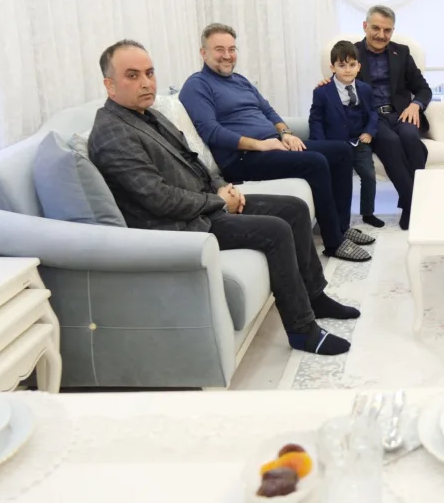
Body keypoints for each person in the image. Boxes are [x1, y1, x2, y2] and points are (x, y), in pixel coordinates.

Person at [88, 40, 356, 356]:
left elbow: (193, 160)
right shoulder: (112, 133)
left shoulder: (149, 115)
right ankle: (302, 330)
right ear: (109, 85)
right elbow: (159, 199)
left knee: (294, 209)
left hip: (204, 204)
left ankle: (315, 296)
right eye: (132, 75)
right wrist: (219, 202)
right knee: (276, 230)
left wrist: (221, 187)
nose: (146, 83)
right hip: (181, 226)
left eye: (149, 72)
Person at [178, 23, 373, 262]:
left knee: (341, 151)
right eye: (219, 49)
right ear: (203, 52)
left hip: (272, 145)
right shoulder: (197, 85)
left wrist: (285, 133)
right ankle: (334, 242)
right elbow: (211, 131)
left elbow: (268, 110)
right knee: (315, 162)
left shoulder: (240, 80)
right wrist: (260, 144)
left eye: (232, 49)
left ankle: (341, 227)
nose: (227, 55)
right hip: (242, 158)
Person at [353, 5, 432, 231]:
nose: (381, 35)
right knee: (390, 141)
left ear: (392, 31)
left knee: (410, 138)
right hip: (371, 117)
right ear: (365, 26)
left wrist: (416, 105)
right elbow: (339, 79)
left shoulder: (402, 53)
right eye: (376, 28)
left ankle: (408, 205)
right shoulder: (352, 52)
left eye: (387, 30)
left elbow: (423, 89)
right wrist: (327, 83)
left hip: (402, 113)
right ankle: (412, 205)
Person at [309, 41, 384, 229]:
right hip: (335, 144)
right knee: (340, 182)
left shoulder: (365, 89)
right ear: (332, 67)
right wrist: (321, 145)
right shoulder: (322, 92)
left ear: (359, 66)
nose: (347, 70)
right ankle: (338, 218)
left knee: (369, 176)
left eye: (352, 65)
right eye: (342, 65)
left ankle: (368, 212)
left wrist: (369, 132)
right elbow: (316, 120)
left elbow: (373, 113)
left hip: (359, 141)